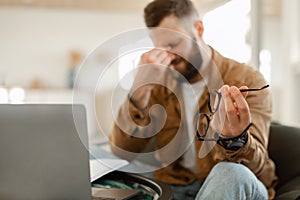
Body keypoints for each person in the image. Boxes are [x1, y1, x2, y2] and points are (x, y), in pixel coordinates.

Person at [109, 0, 278, 199]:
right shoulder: (160, 82)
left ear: (198, 28)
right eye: (160, 48)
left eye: (174, 44)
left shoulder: (246, 79)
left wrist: (234, 140)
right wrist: (139, 90)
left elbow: (255, 165)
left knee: (229, 173)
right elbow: (122, 151)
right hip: (177, 186)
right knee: (102, 165)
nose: (168, 56)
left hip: (233, 185)